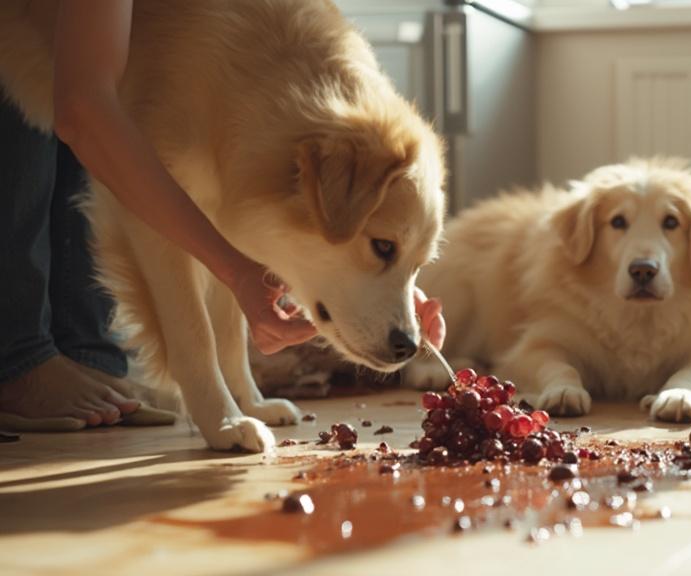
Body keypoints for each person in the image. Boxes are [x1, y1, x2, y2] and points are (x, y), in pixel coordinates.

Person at [0, 0, 445, 430]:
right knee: (111, 160)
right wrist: (206, 388)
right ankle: (19, 360)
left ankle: (85, 357)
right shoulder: (203, 66)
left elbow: (248, 216)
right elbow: (85, 114)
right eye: (383, 249)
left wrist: (394, 271)